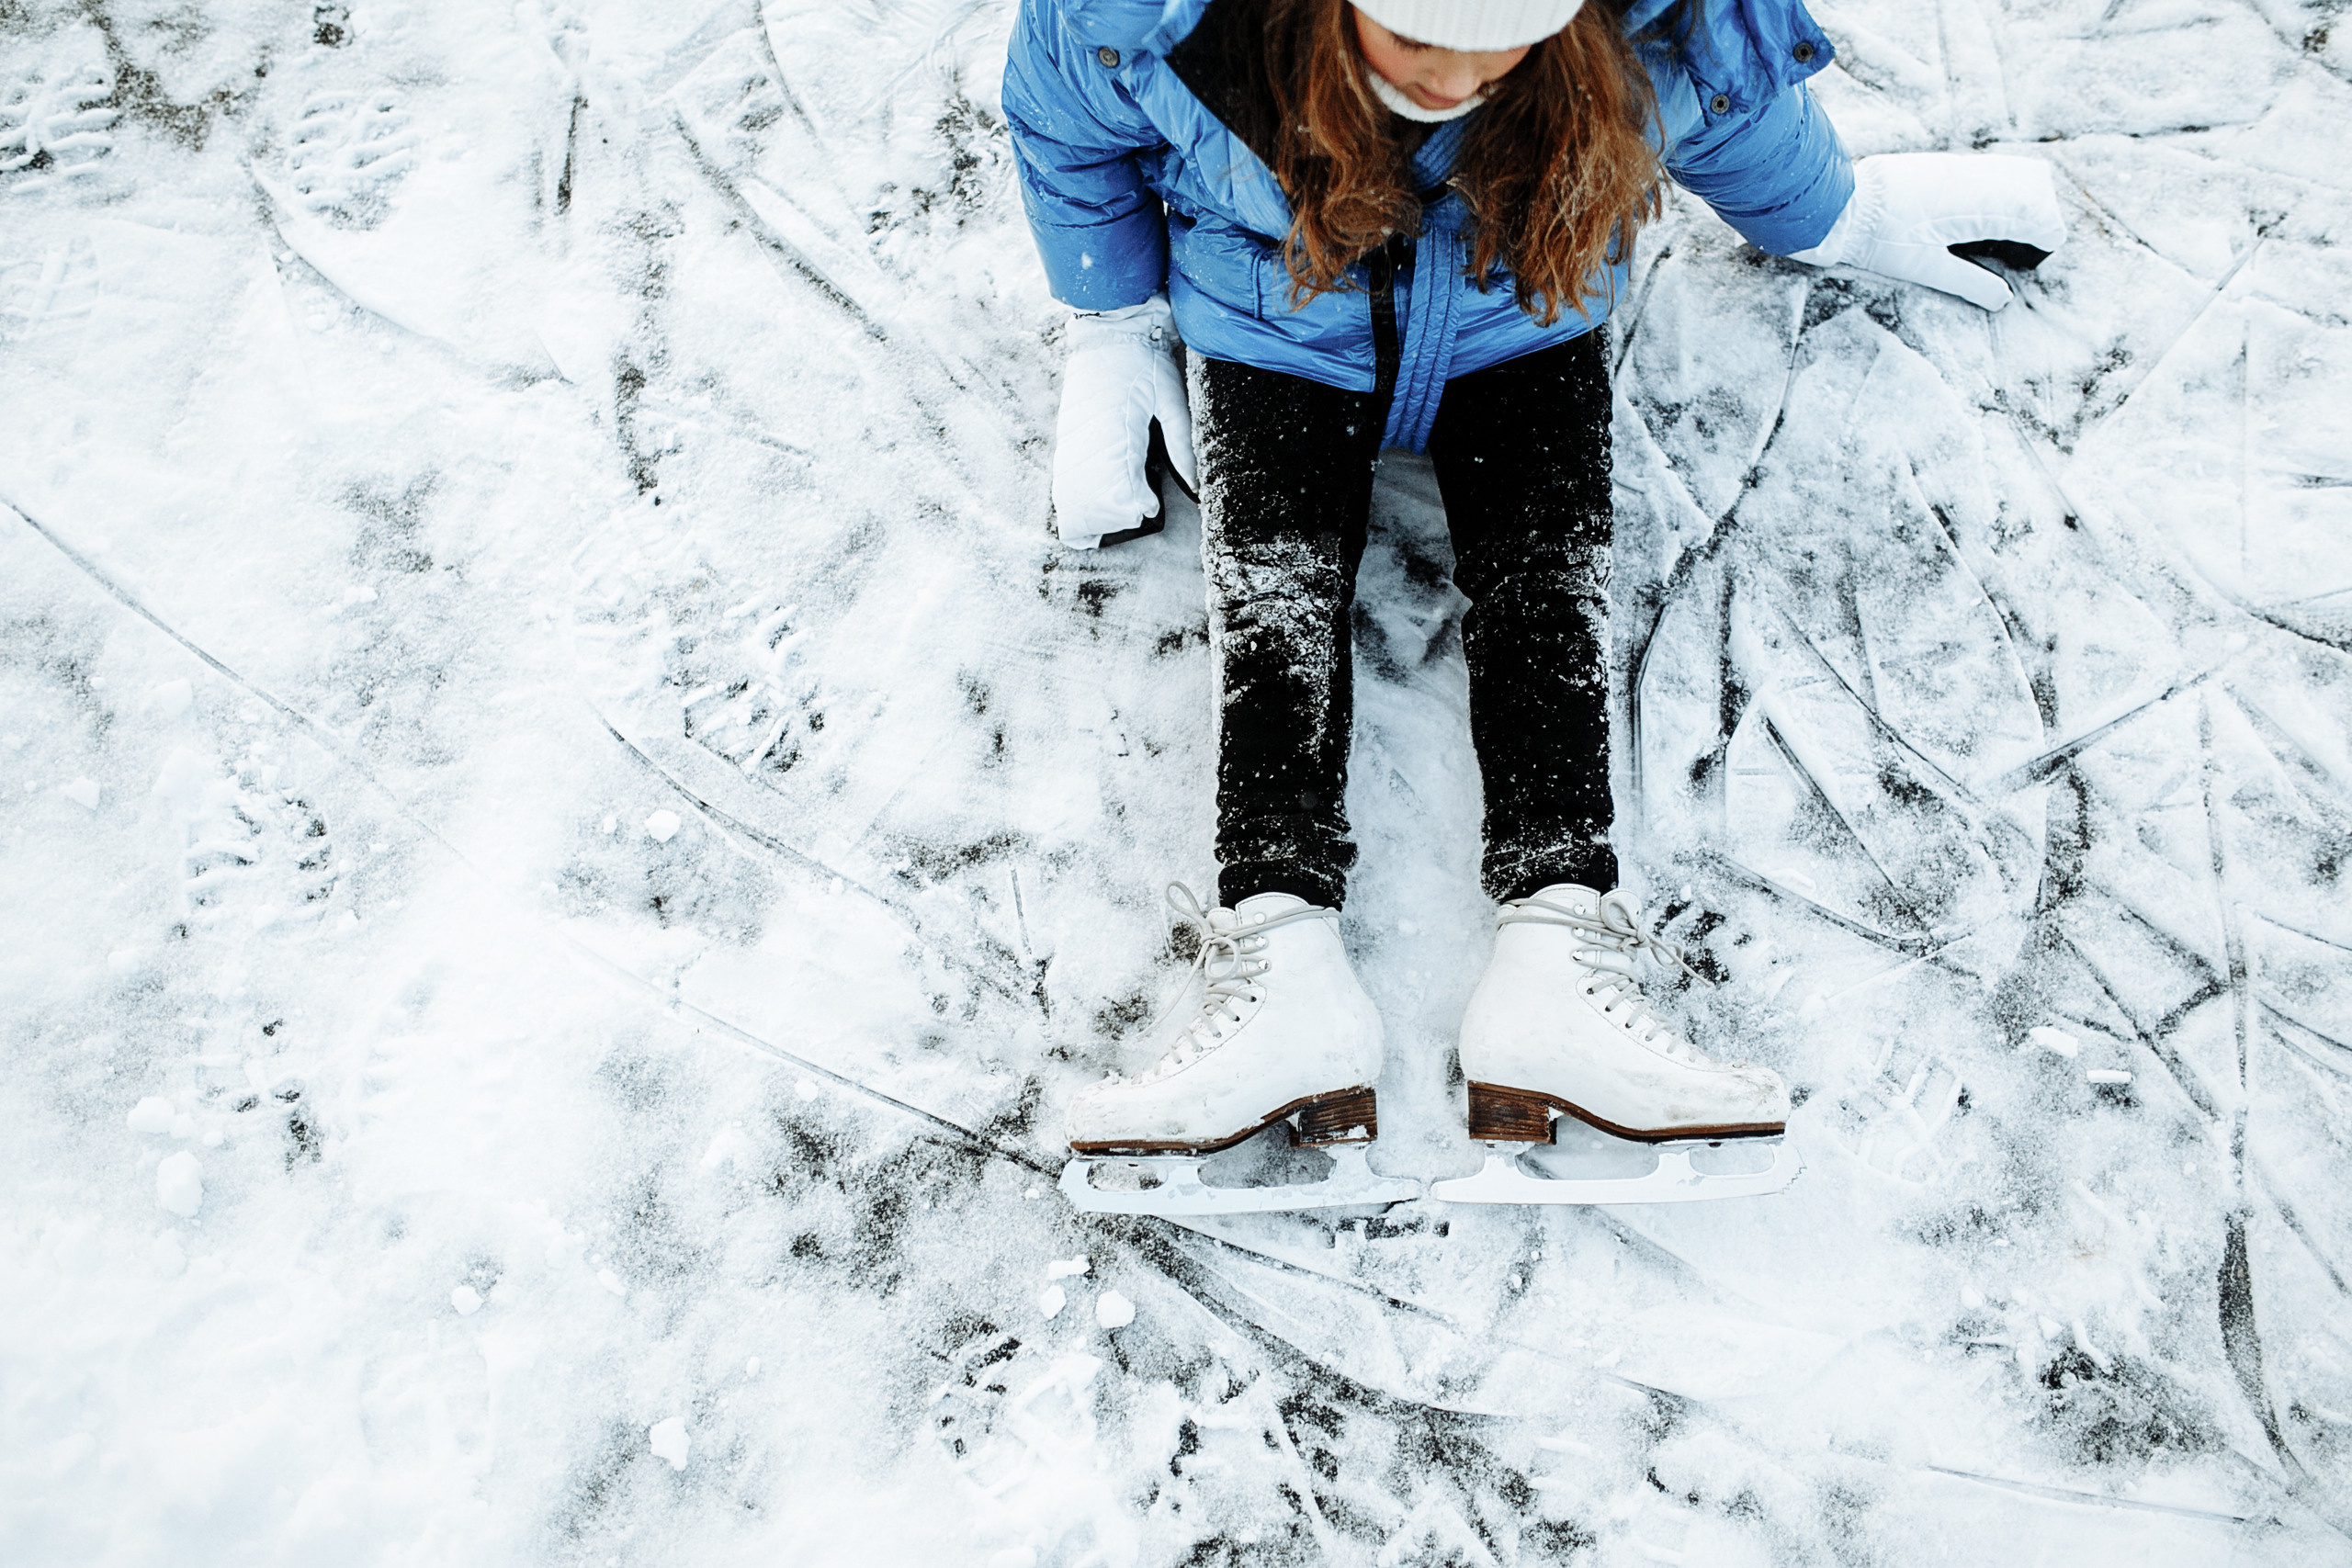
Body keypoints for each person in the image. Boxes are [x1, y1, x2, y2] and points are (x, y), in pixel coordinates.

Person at [1003, 0, 2064, 1200]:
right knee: (1277, 597)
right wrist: (1111, 319)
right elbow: (1065, 124)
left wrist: (1843, 214)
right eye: (1414, 44)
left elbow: (1728, 103)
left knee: (1547, 581)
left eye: (1494, 45)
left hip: (1522, 302)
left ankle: (1558, 962)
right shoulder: (1151, 18)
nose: (1454, 81)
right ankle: (1280, 964)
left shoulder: (1651, 21)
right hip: (1274, 316)